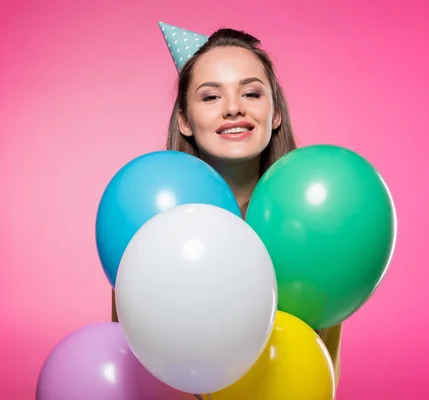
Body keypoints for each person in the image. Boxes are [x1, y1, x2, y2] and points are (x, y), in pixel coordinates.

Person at [111, 27, 342, 387]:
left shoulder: (310, 227)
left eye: (251, 92)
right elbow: (132, 366)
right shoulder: (150, 225)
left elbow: (321, 366)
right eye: (211, 97)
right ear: (185, 120)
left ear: (275, 113)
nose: (234, 108)